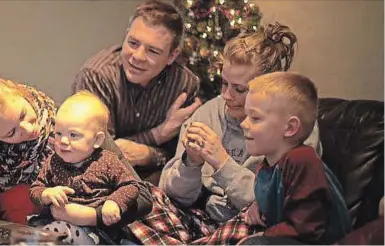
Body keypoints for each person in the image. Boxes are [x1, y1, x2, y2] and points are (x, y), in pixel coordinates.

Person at [128, 22, 322, 245]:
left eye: (240, 89)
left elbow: (278, 208)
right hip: (200, 220)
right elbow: (173, 195)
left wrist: (221, 162)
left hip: (245, 224)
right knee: (139, 198)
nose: (227, 96)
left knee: (252, 232)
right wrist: (191, 163)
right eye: (224, 84)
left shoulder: (292, 129)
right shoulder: (208, 114)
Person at [0, 74, 152, 229]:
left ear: (19, 91)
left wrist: (93, 215)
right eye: (12, 133)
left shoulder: (74, 126)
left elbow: (142, 197)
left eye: (23, 115)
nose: (29, 130)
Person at [72, 0, 202, 185]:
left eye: (153, 51)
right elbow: (97, 153)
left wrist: (149, 156)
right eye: (133, 43)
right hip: (99, 180)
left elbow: (183, 157)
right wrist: (158, 134)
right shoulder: (97, 76)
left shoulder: (184, 85)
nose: (137, 57)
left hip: (159, 179)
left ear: (172, 56)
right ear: (125, 37)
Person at [240, 72, 351, 244]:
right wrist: (258, 206)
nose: (243, 124)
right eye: (246, 116)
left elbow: (306, 227)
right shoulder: (267, 164)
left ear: (290, 127)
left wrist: (264, 236)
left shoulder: (302, 160)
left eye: (255, 118)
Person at [30, 91, 140, 244]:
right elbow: (36, 188)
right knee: (34, 229)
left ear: (97, 140)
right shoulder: (53, 161)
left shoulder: (107, 161)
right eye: (59, 133)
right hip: (57, 221)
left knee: (56, 234)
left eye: (73, 135)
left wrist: (114, 202)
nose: (63, 141)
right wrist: (46, 194)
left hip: (96, 231)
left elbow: (131, 185)